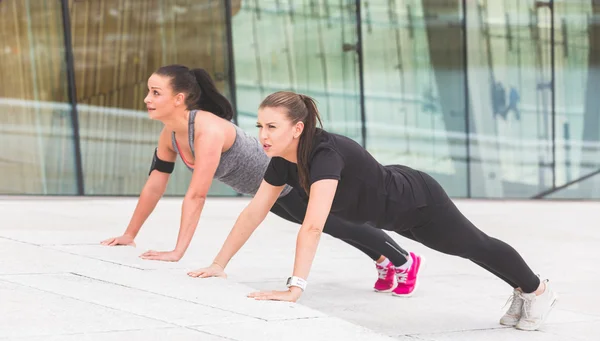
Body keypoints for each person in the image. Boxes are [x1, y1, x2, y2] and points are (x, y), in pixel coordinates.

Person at [191, 90, 558, 332]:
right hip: (393, 214)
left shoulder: (324, 154)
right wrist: (219, 263)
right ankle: (523, 288)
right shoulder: (283, 160)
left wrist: (294, 288)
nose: (263, 135)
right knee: (465, 248)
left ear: (298, 128)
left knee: (472, 245)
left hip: (417, 201)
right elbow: (253, 212)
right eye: (260, 126)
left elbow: (314, 226)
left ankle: (536, 289)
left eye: (272, 126)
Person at [100, 64, 424, 296]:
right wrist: (130, 234)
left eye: (155, 92)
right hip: (269, 192)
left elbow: (197, 195)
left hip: (289, 180)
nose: (147, 98)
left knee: (339, 224)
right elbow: (155, 184)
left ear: (179, 98)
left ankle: (404, 260)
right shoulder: (170, 135)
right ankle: (386, 259)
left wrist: (177, 251)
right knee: (334, 226)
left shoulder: (207, 129)